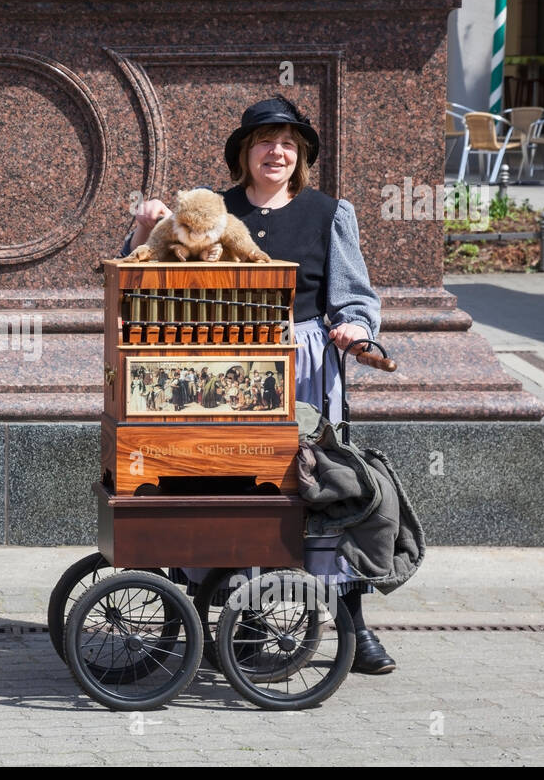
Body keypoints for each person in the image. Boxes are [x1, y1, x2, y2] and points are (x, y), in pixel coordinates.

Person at [127, 94, 393, 675]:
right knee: (237, 487)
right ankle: (237, 622)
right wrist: (142, 227)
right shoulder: (209, 209)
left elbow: (353, 295)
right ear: (244, 153)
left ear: (301, 156)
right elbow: (147, 273)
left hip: (305, 364)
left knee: (323, 490)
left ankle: (354, 624)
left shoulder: (329, 212)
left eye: (289, 144)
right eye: (265, 142)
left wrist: (353, 327)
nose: (278, 152)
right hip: (224, 365)